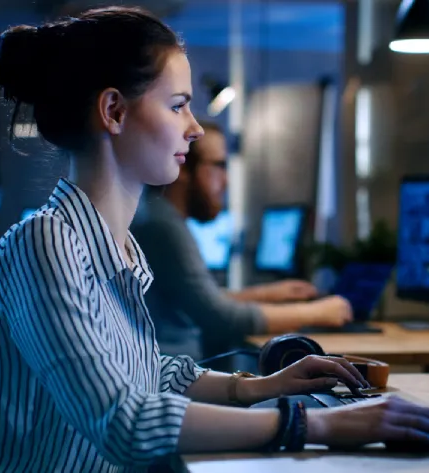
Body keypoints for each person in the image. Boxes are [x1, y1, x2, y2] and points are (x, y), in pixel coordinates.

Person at [0, 7, 429, 472]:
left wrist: (265, 386)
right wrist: (320, 425)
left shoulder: (115, 245)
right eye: (178, 105)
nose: (194, 127)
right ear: (114, 112)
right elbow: (126, 422)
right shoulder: (45, 243)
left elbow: (148, 373)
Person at [132, 121, 351, 359]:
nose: (225, 181)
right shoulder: (163, 226)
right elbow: (220, 317)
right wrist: (317, 312)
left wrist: (266, 294)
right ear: (182, 166)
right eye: (219, 166)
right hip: (176, 381)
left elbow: (201, 300)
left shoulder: (158, 216)